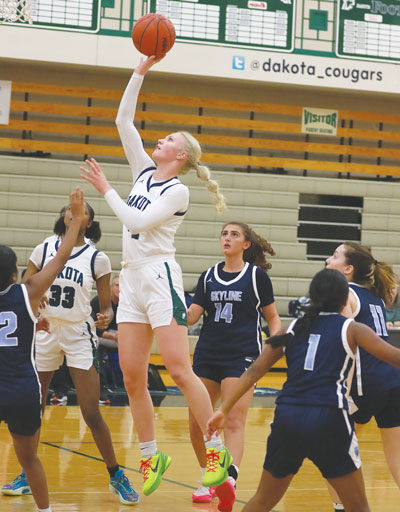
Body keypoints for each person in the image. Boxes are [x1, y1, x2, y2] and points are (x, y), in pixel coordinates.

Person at [80, 54, 232, 497]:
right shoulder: (144, 171)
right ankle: (150, 454)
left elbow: (136, 221)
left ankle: (215, 448)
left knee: (181, 370)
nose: (157, 141)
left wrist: (106, 188)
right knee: (131, 375)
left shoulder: (177, 189)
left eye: (165, 139)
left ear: (179, 154)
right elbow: (123, 120)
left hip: (160, 275)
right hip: (131, 278)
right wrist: (140, 70)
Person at [206, 268, 400, 512]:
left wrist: (223, 408)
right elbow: (395, 357)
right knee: (358, 507)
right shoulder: (352, 328)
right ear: (343, 300)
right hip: (329, 419)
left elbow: (254, 370)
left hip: (287, 417)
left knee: (263, 500)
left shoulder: (292, 328)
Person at [1, 197, 139, 505]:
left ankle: (116, 474)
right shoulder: (44, 248)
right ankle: (26, 473)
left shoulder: (97, 258)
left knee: (91, 411)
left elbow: (105, 307)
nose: (74, 211)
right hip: (46, 330)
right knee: (33, 405)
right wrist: (35, 309)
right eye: (70, 208)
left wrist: (106, 316)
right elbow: (23, 288)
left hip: (78, 333)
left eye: (83, 211)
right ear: (64, 215)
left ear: (87, 221)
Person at [0, 187, 84, 512]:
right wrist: (75, 218)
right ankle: (44, 510)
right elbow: (62, 256)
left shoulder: (28, 294)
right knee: (30, 458)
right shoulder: (29, 291)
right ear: (13, 272)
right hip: (22, 390)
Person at [187, 221, 281, 511]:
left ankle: (230, 478)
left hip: (241, 357)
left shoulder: (256, 277)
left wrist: (275, 343)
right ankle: (209, 477)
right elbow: (191, 317)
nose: (227, 238)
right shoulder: (208, 277)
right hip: (207, 355)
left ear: (246, 244)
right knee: (197, 423)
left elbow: (273, 318)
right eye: (224, 234)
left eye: (234, 234)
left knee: (232, 420)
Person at [325, 241, 400, 511]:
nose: (327, 259)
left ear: (347, 269)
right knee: (396, 454)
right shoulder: (373, 295)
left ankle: (342, 507)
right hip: (393, 379)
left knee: (331, 448)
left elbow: (340, 338)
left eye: (334, 256)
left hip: (365, 381)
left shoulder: (344, 293)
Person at [91, 273, 120, 402]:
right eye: (117, 285)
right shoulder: (98, 301)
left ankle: (140, 382)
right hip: (100, 335)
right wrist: (112, 336)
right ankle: (101, 388)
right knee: (95, 345)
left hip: (121, 338)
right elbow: (92, 328)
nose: (120, 289)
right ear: (110, 287)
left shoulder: (127, 304)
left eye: (123, 286)